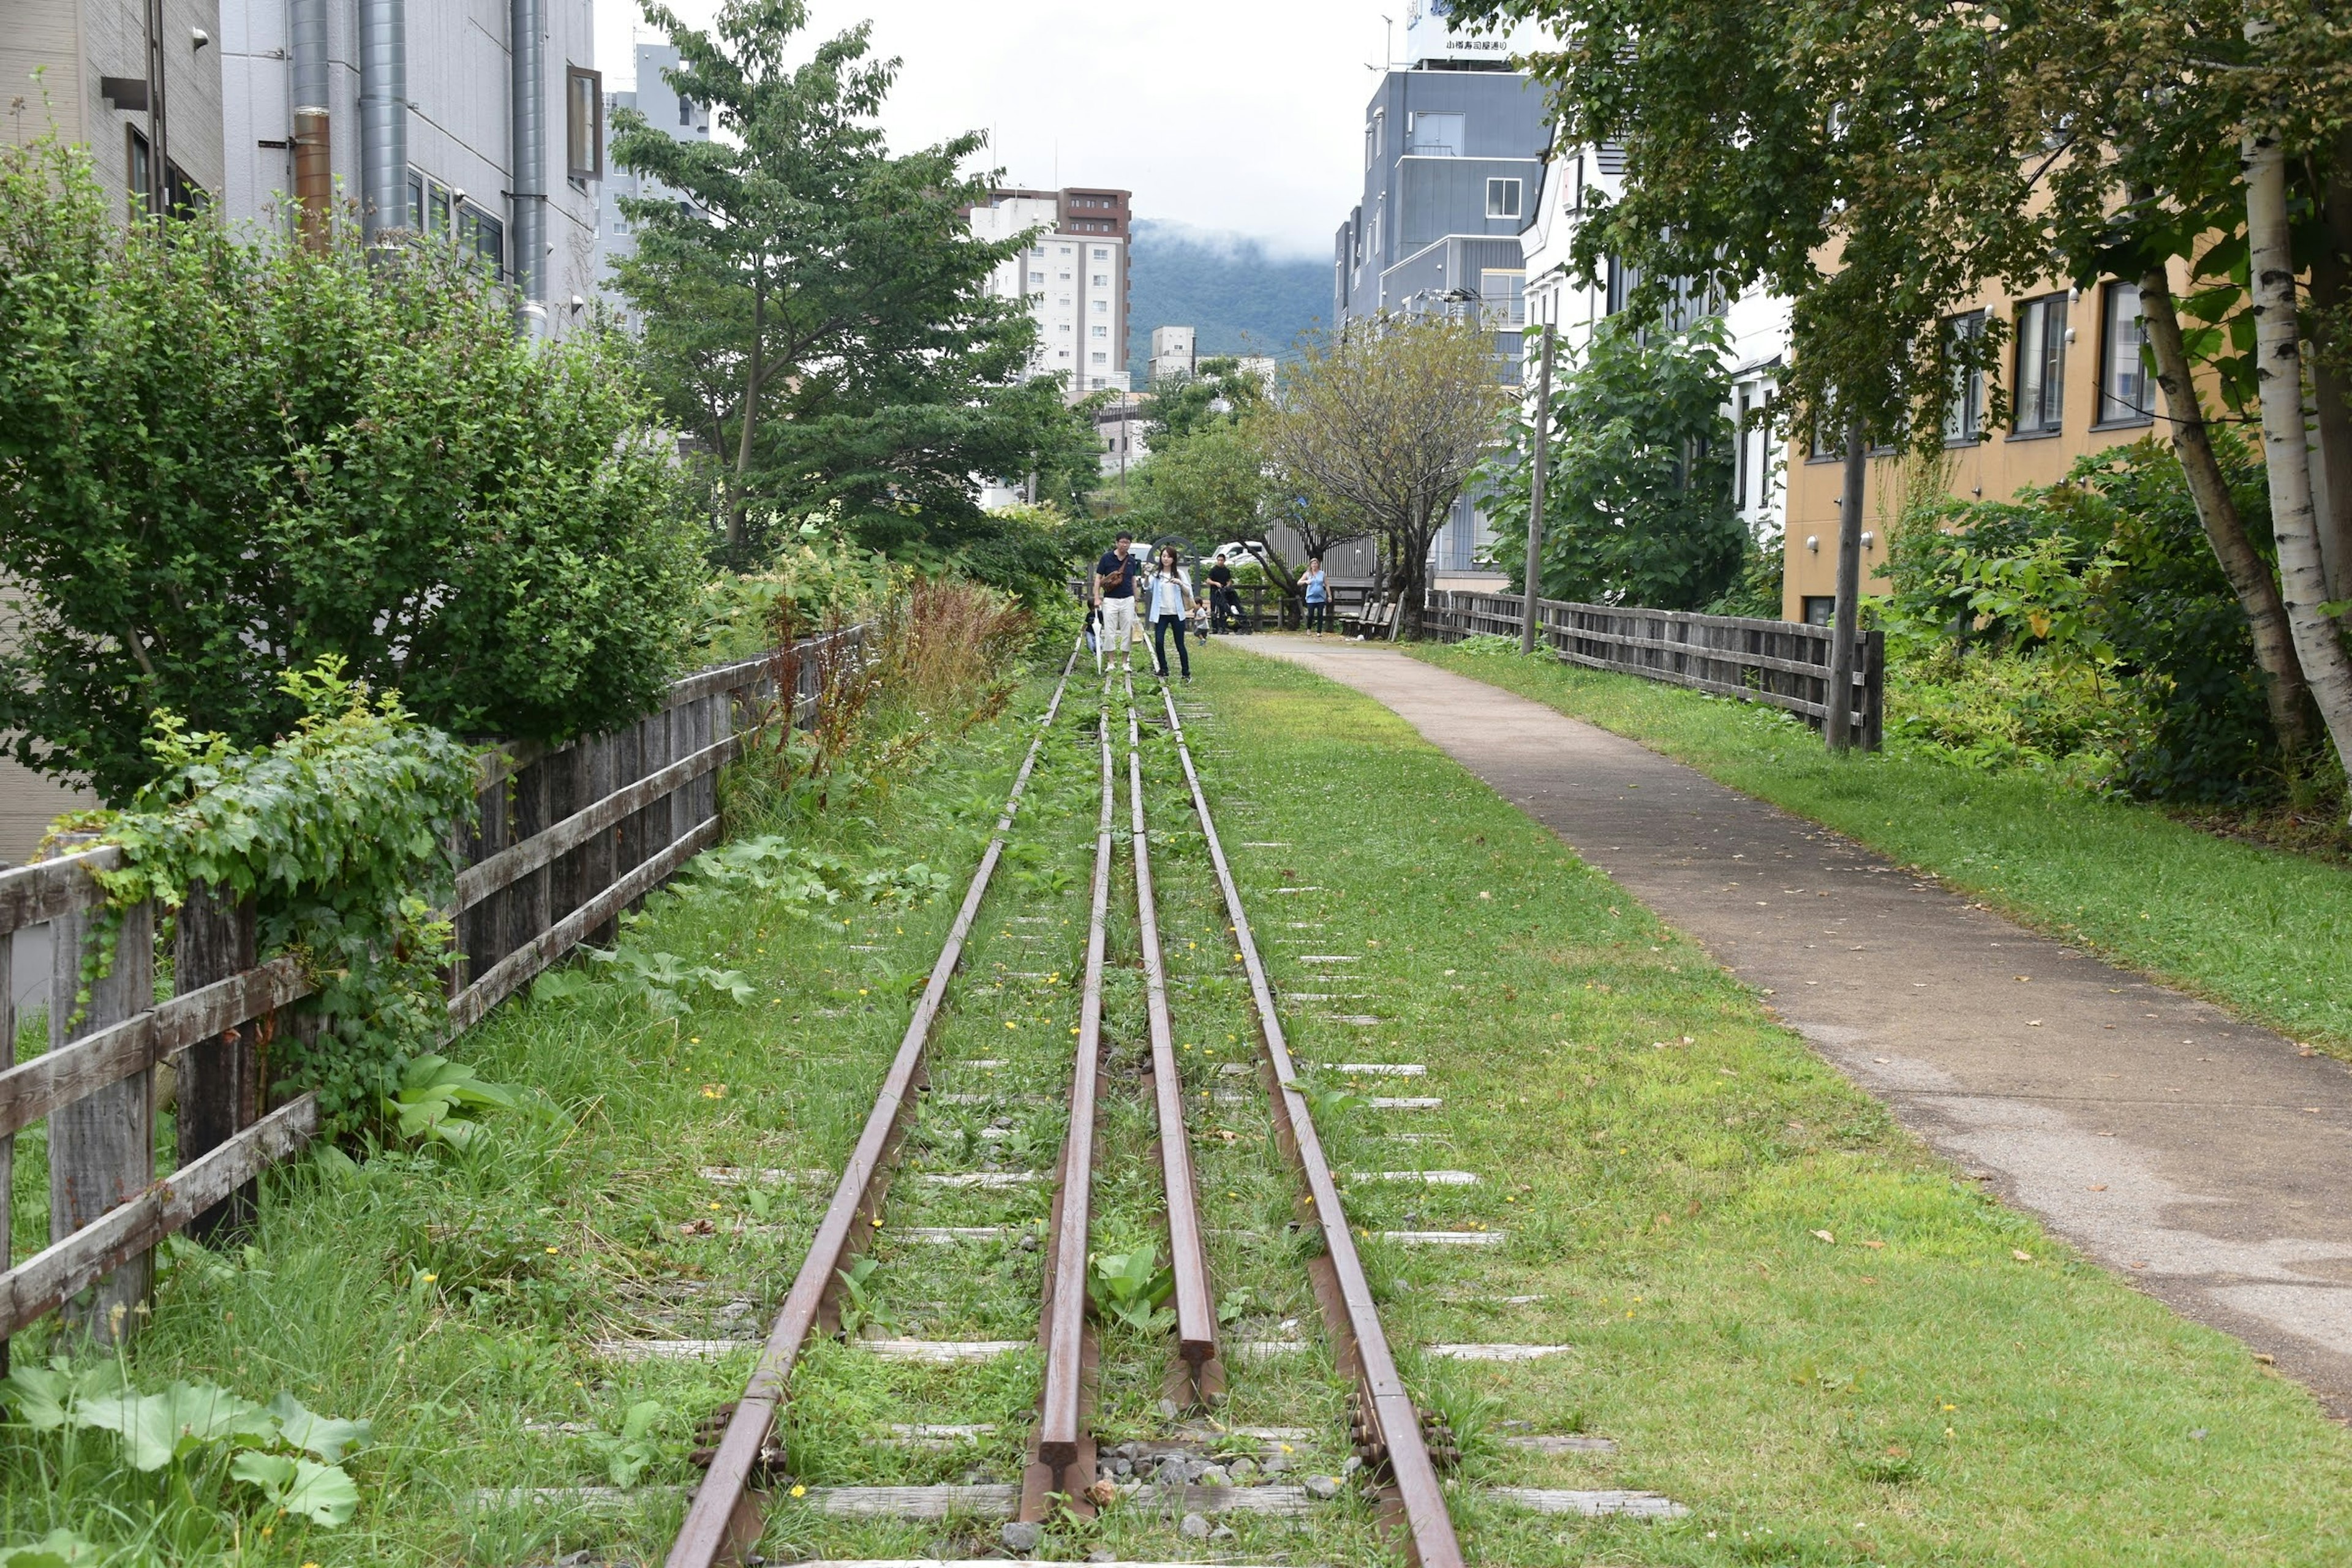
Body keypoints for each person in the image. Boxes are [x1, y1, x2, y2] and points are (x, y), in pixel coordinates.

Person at [1145, 544, 1197, 682]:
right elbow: (1147, 587)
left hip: (1177, 613)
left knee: (1180, 644)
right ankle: (1163, 669)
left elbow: (1189, 592)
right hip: (1161, 613)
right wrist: (1146, 575)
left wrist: (1180, 583)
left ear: (1173, 559)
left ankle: (1186, 672)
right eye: (1163, 556)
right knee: (1159, 641)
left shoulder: (1180, 574)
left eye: (1168, 556)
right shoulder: (1157, 575)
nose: (1166, 559)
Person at [1094, 530, 1140, 671]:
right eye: (1122, 542)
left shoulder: (1133, 561)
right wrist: (1097, 597)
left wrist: (1136, 600)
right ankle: (1111, 662)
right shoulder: (1106, 558)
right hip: (1110, 600)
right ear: (1117, 543)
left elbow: (1134, 581)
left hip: (1128, 599)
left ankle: (1125, 661)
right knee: (1109, 631)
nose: (1124, 545)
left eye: (1127, 542)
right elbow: (1098, 578)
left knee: (1127, 630)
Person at [1204, 552, 1237, 635]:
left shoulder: (1226, 570)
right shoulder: (1214, 570)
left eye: (1221, 560)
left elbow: (1229, 580)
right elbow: (1208, 580)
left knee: (1223, 610)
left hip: (1223, 592)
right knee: (1214, 610)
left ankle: (1223, 627)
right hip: (1214, 592)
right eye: (1219, 560)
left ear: (1224, 561)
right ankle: (1215, 628)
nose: (1220, 562)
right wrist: (1215, 583)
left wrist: (1228, 586)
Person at [1303, 557, 1330, 635]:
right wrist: (1306, 581)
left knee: (1320, 614)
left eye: (1316, 563)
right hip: (1311, 597)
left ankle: (1319, 631)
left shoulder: (1322, 574)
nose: (1314, 565)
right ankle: (1309, 628)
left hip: (1320, 597)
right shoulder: (1308, 574)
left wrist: (1329, 596)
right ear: (1310, 565)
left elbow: (1327, 585)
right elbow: (1299, 582)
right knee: (1311, 614)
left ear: (1318, 565)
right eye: (1313, 564)